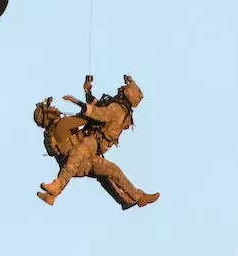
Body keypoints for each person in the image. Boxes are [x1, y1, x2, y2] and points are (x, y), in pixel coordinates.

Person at [34, 74, 159, 209]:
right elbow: (90, 117)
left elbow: (97, 111)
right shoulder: (62, 125)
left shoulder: (51, 131)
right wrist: (80, 102)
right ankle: (138, 197)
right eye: (50, 108)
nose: (55, 108)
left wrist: (86, 96)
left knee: (105, 173)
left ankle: (52, 195)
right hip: (80, 160)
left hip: (76, 162)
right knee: (108, 168)